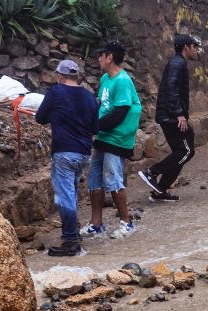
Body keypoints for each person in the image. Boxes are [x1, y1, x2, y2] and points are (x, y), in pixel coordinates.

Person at [35, 60, 99, 257]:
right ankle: (74, 234)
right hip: (84, 154)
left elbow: (40, 117)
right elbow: (96, 128)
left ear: (60, 76)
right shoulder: (89, 96)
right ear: (77, 76)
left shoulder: (56, 92)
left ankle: (71, 241)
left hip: (64, 152)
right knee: (70, 193)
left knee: (65, 197)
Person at [80, 40, 142, 240]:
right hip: (104, 136)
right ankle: (96, 224)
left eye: (101, 55)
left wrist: (94, 126)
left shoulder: (122, 80)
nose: (98, 58)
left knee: (112, 179)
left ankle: (127, 222)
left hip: (116, 138)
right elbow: (103, 105)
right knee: (94, 180)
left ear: (110, 57)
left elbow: (120, 112)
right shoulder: (106, 79)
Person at [137, 34, 200, 202]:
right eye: (194, 46)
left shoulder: (178, 63)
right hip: (171, 117)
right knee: (186, 151)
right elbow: (171, 89)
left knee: (180, 152)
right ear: (186, 47)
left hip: (170, 115)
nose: (196, 49)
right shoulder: (177, 63)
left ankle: (160, 190)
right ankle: (151, 172)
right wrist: (179, 114)